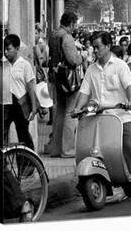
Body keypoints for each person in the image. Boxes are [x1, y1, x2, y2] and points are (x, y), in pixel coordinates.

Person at [74, 32, 131, 199]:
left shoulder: (120, 65)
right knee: (89, 145)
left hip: (120, 115)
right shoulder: (91, 69)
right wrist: (77, 108)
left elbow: (129, 86)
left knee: (129, 144)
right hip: (99, 117)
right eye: (93, 47)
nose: (95, 50)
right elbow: (84, 91)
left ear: (107, 46)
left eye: (98, 47)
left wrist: (130, 101)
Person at [47, 11, 83, 158]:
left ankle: (56, 148)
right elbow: (73, 60)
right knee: (69, 112)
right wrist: (82, 56)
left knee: (59, 112)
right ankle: (68, 150)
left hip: (56, 77)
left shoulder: (54, 34)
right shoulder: (66, 37)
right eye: (75, 24)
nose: (76, 28)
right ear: (71, 23)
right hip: (68, 80)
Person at [0, 34, 40, 150]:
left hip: (21, 103)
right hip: (5, 103)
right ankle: (3, 164)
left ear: (17, 49)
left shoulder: (24, 65)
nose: (6, 52)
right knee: (2, 135)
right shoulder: (1, 65)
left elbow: (30, 87)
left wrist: (34, 107)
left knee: (23, 134)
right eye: (4, 49)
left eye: (9, 49)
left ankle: (26, 164)